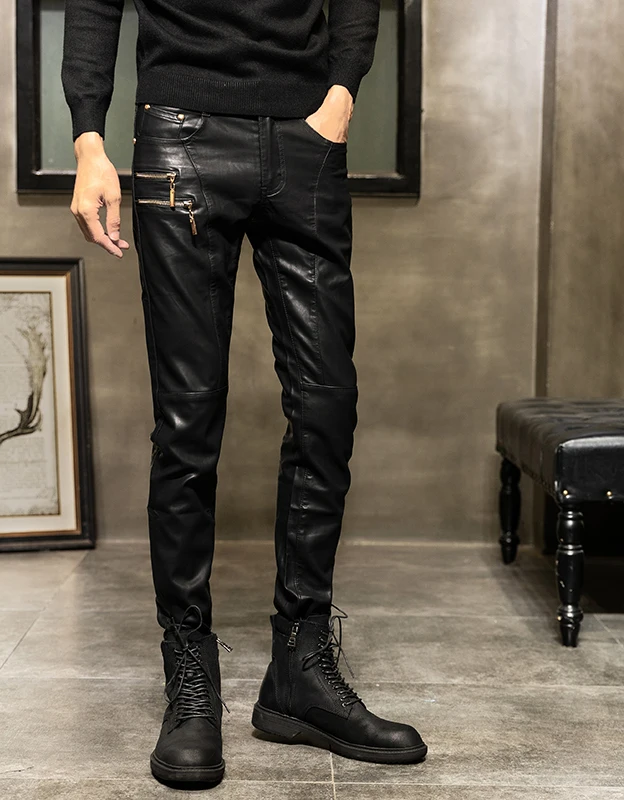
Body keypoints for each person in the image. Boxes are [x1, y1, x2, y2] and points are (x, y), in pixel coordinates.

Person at [62, 0, 427, 786]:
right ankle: (191, 679)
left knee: (327, 405)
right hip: (180, 135)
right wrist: (89, 139)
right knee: (188, 419)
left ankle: (300, 670)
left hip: (307, 137)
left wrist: (340, 93)